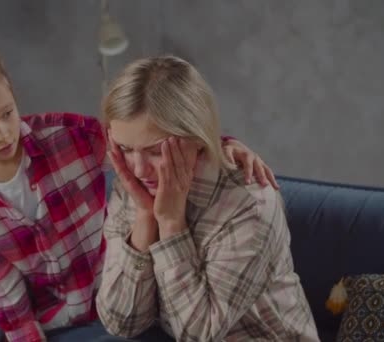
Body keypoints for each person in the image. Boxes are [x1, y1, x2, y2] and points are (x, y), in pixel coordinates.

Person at [0, 45, 279, 342]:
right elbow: (3, 287)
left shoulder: (67, 137)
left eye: (7, 114)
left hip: (105, 297)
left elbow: (144, 141)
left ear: (14, 97)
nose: (3, 134)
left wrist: (221, 145)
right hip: (40, 311)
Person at [97, 56, 319, 341]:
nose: (138, 169)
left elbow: (198, 335)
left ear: (196, 138)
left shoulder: (249, 205)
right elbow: (120, 323)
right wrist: (145, 217)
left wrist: (170, 223)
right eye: (126, 148)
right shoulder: (133, 186)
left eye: (154, 151)